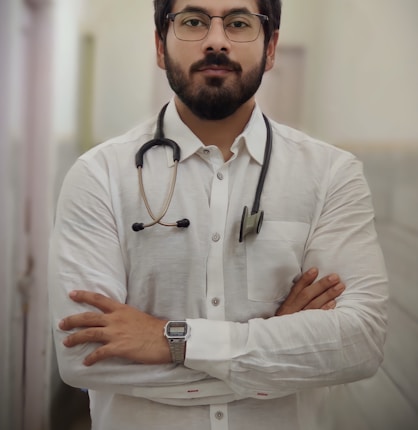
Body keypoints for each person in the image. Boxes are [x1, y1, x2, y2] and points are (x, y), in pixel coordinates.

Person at [48, 0, 388, 429]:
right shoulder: (99, 176)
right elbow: (84, 358)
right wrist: (279, 350)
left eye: (239, 23)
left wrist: (171, 340)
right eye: (192, 22)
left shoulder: (331, 175)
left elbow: (360, 344)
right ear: (159, 45)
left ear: (270, 48)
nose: (215, 41)